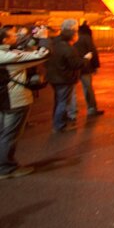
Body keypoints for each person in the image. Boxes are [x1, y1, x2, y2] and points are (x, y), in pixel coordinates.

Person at [0, 27, 49, 179]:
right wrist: (45, 39)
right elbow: (42, 55)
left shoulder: (7, 52)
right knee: (10, 134)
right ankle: (6, 168)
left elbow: (21, 50)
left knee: (3, 133)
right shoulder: (7, 57)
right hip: (14, 100)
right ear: (4, 40)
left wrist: (33, 39)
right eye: (13, 34)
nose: (17, 35)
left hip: (2, 99)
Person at [46, 19, 88, 133]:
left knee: (58, 101)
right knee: (63, 102)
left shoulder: (54, 43)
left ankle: (57, 121)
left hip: (54, 77)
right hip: (65, 78)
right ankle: (59, 125)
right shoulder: (68, 49)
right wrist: (85, 59)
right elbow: (75, 64)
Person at [73, 24, 104, 118]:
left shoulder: (72, 38)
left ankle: (72, 111)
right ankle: (91, 108)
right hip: (85, 66)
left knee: (71, 90)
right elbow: (93, 51)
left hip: (73, 66)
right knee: (88, 88)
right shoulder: (86, 38)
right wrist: (95, 66)